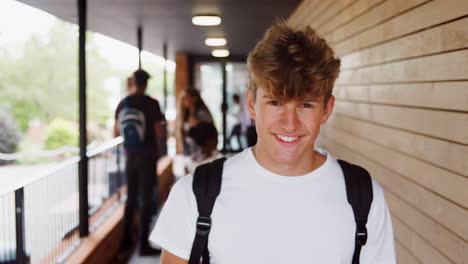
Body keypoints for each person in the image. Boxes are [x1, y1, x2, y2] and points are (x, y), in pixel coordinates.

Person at [151, 22, 396, 263]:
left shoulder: (363, 196)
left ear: (326, 109)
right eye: (275, 103)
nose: (290, 124)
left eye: (305, 104)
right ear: (251, 104)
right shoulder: (195, 193)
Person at [114, 69, 164, 256]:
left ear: (133, 82)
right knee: (146, 200)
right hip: (148, 157)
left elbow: (116, 132)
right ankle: (143, 245)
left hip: (130, 157)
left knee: (131, 198)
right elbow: (158, 132)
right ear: (146, 83)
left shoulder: (123, 103)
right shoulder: (152, 104)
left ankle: (126, 242)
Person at [175, 88, 214, 156]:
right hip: (189, 153)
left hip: (202, 152)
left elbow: (206, 132)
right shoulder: (184, 115)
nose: (184, 101)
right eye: (183, 98)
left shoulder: (202, 114)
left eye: (187, 98)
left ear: (195, 99)